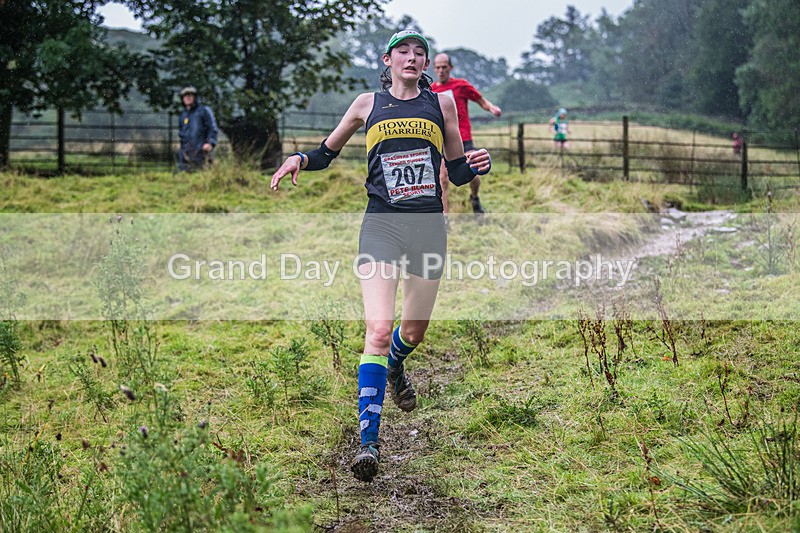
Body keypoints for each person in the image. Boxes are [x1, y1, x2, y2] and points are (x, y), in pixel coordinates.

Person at [270, 30, 491, 483]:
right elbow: (326, 153)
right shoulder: (366, 104)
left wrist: (476, 165)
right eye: (404, 52)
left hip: (428, 228)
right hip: (381, 227)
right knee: (378, 328)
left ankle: (395, 364)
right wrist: (299, 159)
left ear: (425, 63)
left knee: (413, 330)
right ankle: (368, 440)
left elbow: (457, 169)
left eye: (420, 52)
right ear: (388, 60)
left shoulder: (442, 104)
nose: (413, 58)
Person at [431, 53, 501, 216]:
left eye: (444, 67)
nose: (441, 71)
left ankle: (474, 197)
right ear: (434, 68)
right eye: (438, 67)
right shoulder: (432, 89)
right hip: (443, 141)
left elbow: (481, 100)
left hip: (464, 138)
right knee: (442, 178)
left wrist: (492, 108)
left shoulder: (461, 85)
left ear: (450, 68)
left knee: (474, 170)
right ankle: (444, 218)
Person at [177, 86, 218, 171]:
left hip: (202, 150)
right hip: (185, 152)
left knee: (203, 175)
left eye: (190, 95)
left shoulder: (204, 111)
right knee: (183, 176)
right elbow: (181, 132)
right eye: (185, 95)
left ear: (195, 97)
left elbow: (212, 128)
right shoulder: (183, 114)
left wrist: (210, 143)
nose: (188, 97)